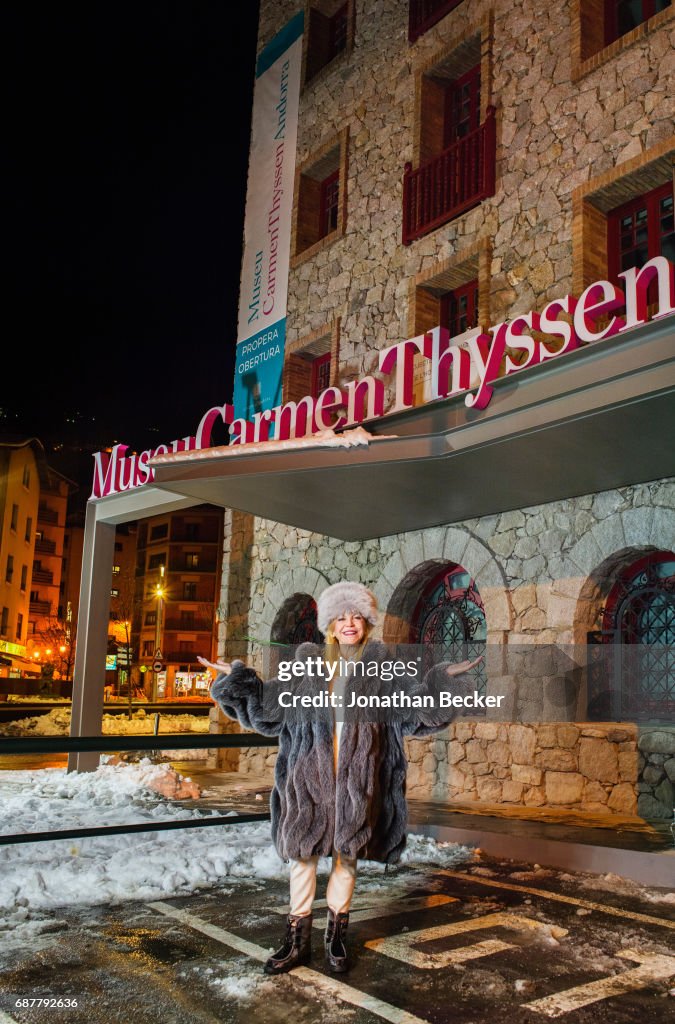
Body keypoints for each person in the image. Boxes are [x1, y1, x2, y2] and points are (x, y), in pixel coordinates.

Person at [199, 581, 480, 976]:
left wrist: (443, 682)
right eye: (341, 616)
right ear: (329, 624)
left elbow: (418, 713)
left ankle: (335, 937)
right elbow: (265, 711)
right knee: (303, 860)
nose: (350, 623)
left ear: (366, 623)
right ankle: (296, 940)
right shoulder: (305, 669)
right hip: (307, 783)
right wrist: (240, 680)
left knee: (347, 860)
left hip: (357, 786)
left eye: (357, 616)